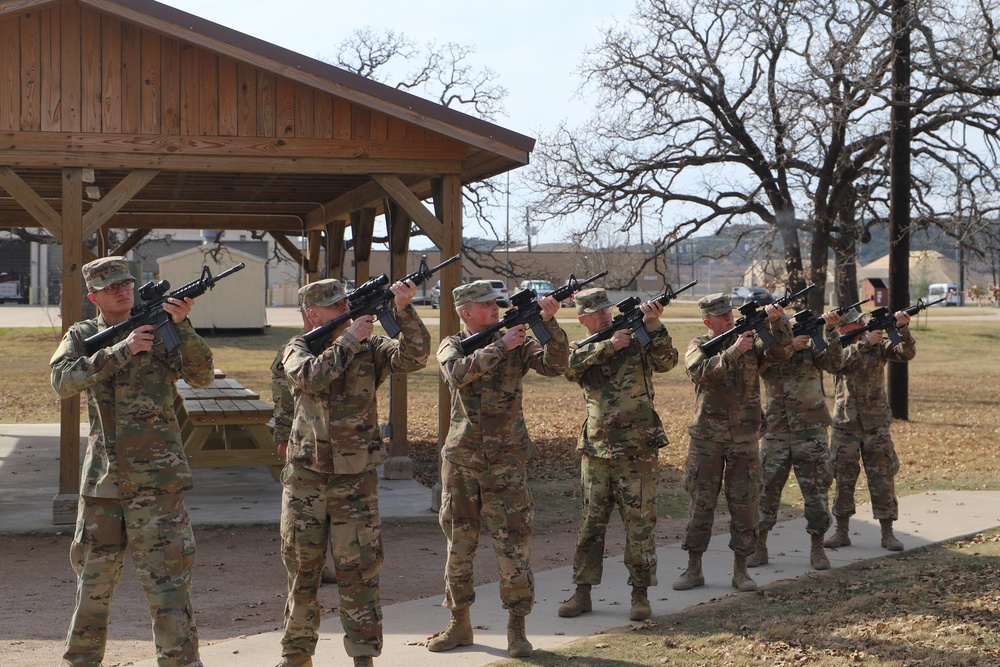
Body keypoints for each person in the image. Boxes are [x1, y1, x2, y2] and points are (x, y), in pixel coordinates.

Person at [50, 255, 214, 667]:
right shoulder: (83, 333)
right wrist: (120, 351)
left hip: (159, 482)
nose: (123, 291)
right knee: (93, 585)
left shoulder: (164, 327)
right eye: (111, 288)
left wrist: (183, 326)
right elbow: (61, 381)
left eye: (127, 284)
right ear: (93, 297)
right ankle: (81, 661)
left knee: (169, 586)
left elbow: (202, 375)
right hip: (104, 484)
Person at [275, 277, 429, 667]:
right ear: (313, 314)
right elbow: (310, 377)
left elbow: (414, 357)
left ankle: (363, 656)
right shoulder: (296, 349)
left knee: (359, 569)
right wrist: (349, 340)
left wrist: (404, 311)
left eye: (346, 304)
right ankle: (296, 655)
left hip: (355, 478)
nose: (345, 311)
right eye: (336, 306)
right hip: (307, 478)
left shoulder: (371, 347)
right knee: (302, 571)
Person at [428, 280, 568, 658]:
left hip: (506, 462)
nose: (495, 309)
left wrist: (549, 324)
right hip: (462, 462)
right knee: (459, 546)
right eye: (486, 305)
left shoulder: (517, 341)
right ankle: (459, 624)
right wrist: (498, 346)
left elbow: (556, 365)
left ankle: (517, 629)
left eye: (497, 303)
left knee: (514, 547)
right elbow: (456, 374)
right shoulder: (452, 344)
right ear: (465, 311)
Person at [557, 288, 678, 621]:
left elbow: (668, 362)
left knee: (639, 525)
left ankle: (640, 594)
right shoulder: (578, 348)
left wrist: (653, 327)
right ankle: (582, 593)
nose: (606, 316)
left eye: (607, 310)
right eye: (597, 313)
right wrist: (610, 345)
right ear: (582, 319)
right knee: (590, 526)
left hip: (637, 449)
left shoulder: (637, 339)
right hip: (597, 450)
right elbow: (568, 367)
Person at [673, 293, 792, 593]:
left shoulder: (752, 341)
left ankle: (741, 570)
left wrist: (777, 324)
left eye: (730, 314)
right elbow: (699, 372)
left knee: (745, 504)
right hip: (707, 438)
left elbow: (783, 352)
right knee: (701, 504)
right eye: (722, 316)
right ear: (707, 321)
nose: (729, 319)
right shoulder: (698, 344)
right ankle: (693, 568)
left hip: (745, 437)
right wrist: (735, 351)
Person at [751, 309, 844, 571]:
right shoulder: (767, 349)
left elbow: (835, 364)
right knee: (766, 491)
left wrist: (831, 332)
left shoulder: (811, 346)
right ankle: (760, 547)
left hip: (810, 429)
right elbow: (757, 366)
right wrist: (787, 346)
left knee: (816, 492)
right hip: (776, 430)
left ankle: (817, 547)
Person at [824, 306, 916, 552]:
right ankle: (841, 531)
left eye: (862, 320)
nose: (862, 323)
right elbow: (834, 364)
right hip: (846, 424)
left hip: (876, 424)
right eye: (857, 322)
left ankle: (888, 533)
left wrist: (903, 329)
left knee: (883, 478)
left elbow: (905, 353)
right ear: (843, 328)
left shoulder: (878, 345)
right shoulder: (838, 346)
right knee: (843, 480)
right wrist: (864, 344)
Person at [270, 295, 337, 586]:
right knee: (306, 512)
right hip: (305, 443)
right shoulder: (293, 350)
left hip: (340, 443)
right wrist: (283, 437)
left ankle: (331, 564)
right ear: (309, 313)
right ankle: (312, 567)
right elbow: (282, 398)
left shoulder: (344, 344)